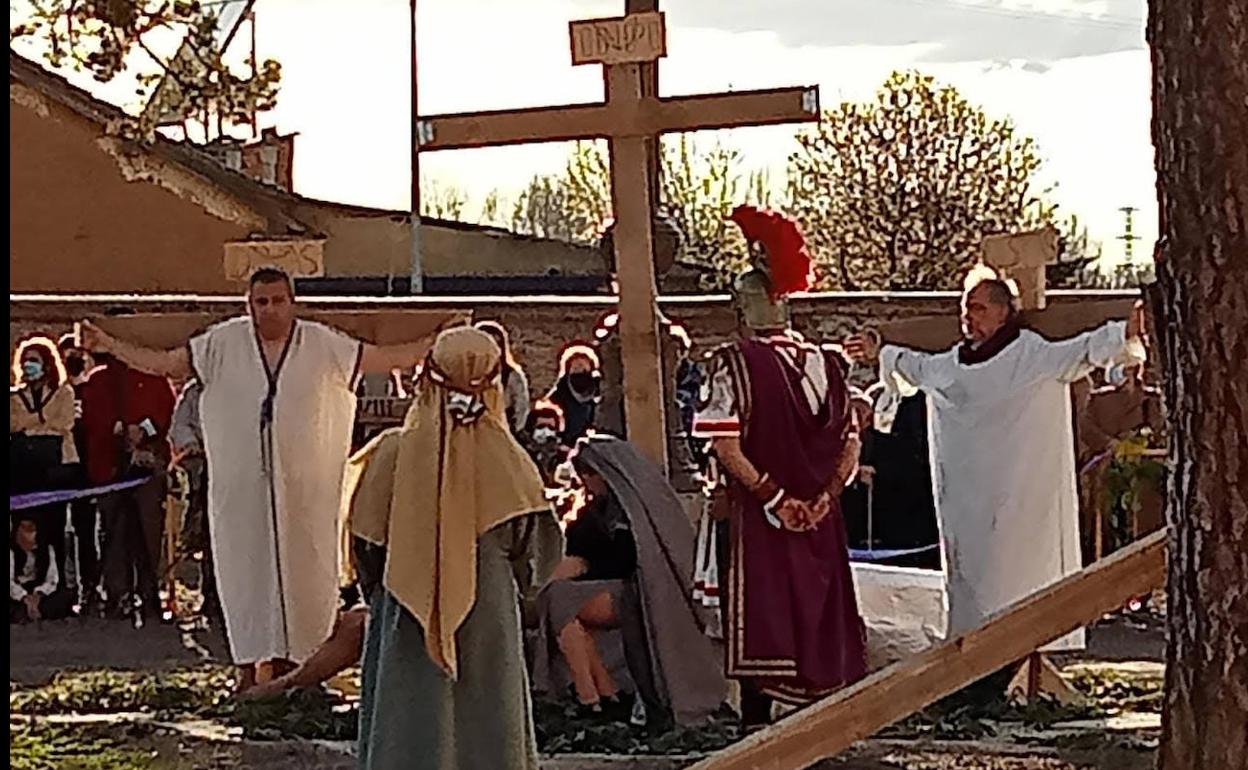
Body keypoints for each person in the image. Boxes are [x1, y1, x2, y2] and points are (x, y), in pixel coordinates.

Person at [78, 267, 435, 691]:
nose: (270, 310)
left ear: (293, 302)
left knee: (307, 569)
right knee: (242, 570)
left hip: (305, 491)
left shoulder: (321, 343)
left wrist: (436, 341)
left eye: (278, 300)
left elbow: (384, 358)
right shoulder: (222, 343)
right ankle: (248, 666)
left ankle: (301, 669)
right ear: (249, 305)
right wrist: (110, 344)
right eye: (261, 302)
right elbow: (167, 363)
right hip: (242, 488)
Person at [844, 269, 1147, 650]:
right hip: (968, 509)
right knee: (974, 591)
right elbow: (913, 364)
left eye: (979, 308)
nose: (968, 318)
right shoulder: (951, 365)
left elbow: (1083, 349)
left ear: (1004, 313)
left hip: (1021, 507)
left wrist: (1125, 331)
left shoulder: (1033, 355)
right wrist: (878, 349)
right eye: (965, 309)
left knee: (1022, 586)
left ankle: (1028, 656)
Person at [345, 326, 563, 770]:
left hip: (404, 614)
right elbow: (536, 554)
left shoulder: (390, 456)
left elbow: (364, 546)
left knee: (408, 715)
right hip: (490, 616)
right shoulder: (512, 465)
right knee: (488, 720)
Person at [692, 205, 867, 728]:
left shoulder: (732, 363)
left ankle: (758, 726)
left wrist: (774, 498)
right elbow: (850, 444)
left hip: (760, 517)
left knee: (763, 616)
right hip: (821, 515)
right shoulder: (830, 362)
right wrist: (821, 499)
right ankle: (822, 724)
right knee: (816, 615)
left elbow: (725, 447)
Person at [533, 435, 726, 729]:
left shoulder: (632, 513)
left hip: (638, 592)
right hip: (602, 588)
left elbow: (633, 559)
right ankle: (600, 693)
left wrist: (585, 567)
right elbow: (579, 546)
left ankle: (594, 694)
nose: (585, 482)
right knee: (559, 604)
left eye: (589, 475)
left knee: (556, 599)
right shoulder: (592, 513)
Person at [78, 346, 174, 620]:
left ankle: (150, 592)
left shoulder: (153, 377)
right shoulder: (98, 381)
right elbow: (93, 421)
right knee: (114, 531)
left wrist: (144, 430)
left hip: (146, 467)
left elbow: (165, 413)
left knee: (149, 531)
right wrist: (117, 431)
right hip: (111, 468)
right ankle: (117, 593)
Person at [10, 337, 81, 579]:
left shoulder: (64, 393)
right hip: (25, 468)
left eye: (34, 361)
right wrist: (41, 424)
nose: (29, 366)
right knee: (25, 523)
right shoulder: (15, 397)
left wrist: (31, 426)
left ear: (47, 364)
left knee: (55, 525)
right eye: (26, 361)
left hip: (58, 466)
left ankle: (60, 580)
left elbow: (64, 423)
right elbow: (14, 424)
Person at [170, 378, 220, 622]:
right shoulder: (193, 391)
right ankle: (211, 594)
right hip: (205, 465)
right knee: (210, 535)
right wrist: (191, 445)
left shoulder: (243, 382)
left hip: (239, 465)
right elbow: (179, 425)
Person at [58, 334, 101, 608]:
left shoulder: (92, 391)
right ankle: (63, 586)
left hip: (88, 470)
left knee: (88, 533)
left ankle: (90, 586)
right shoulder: (58, 394)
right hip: (60, 469)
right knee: (59, 532)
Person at [10, 515, 75, 623]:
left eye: (31, 529)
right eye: (24, 528)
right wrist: (24, 597)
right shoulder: (11, 551)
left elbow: (52, 579)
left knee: (64, 596)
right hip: (17, 594)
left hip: (39, 592)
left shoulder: (46, 550)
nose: (28, 533)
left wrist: (39, 594)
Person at [476, 320, 531, 434]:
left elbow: (521, 407)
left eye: (497, 344)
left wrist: (513, 431)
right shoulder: (463, 375)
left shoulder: (512, 376)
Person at [547, 345, 601, 447]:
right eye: (576, 368)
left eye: (583, 367)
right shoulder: (558, 394)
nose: (579, 370)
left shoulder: (600, 390)